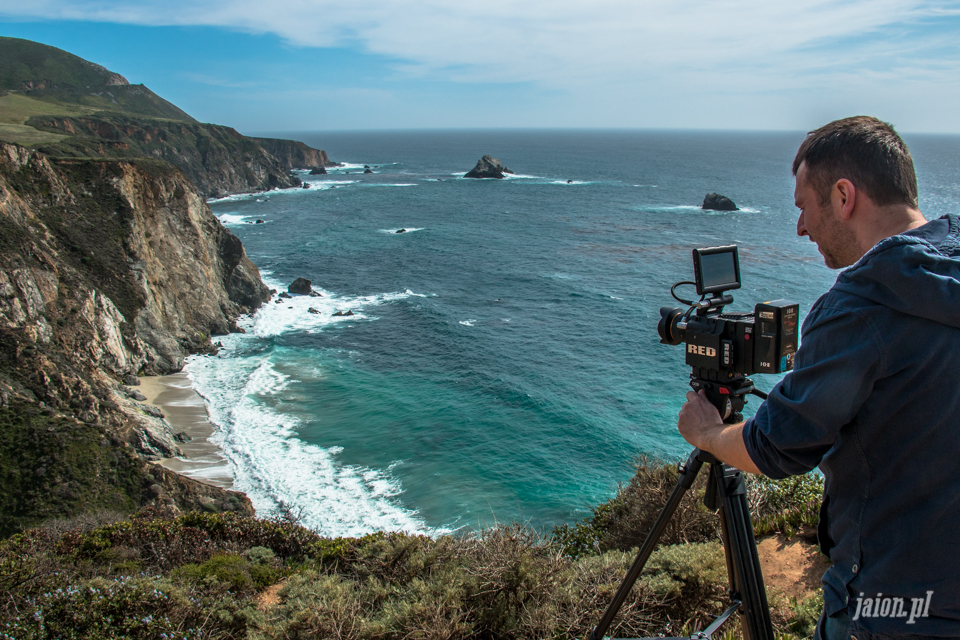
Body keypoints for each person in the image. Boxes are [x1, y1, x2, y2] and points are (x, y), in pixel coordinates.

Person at [676, 116, 960, 640]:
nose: (801, 227)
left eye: (804, 206)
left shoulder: (861, 307)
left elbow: (774, 448)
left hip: (890, 607)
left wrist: (708, 434)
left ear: (844, 195)